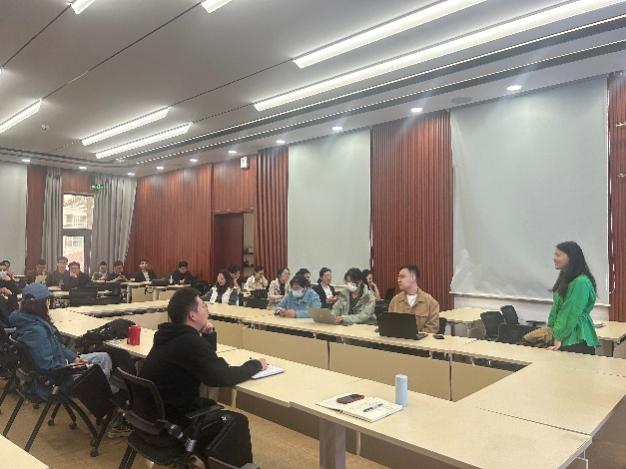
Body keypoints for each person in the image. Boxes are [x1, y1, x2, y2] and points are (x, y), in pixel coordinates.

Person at [140, 288, 267, 466]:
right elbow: (221, 376)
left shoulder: (168, 335)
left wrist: (208, 336)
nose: (207, 309)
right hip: (172, 424)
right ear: (192, 315)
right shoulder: (189, 342)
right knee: (236, 421)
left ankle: (205, 457)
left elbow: (207, 364)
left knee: (209, 406)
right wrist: (255, 365)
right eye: (204, 306)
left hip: (149, 419)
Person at [9, 283, 113, 400]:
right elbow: (47, 366)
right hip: (56, 380)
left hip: (59, 366)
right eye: (47, 301)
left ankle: (102, 394)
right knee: (100, 372)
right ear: (39, 305)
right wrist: (72, 365)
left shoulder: (30, 320)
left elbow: (56, 346)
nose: (49, 304)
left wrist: (74, 358)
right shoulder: (36, 331)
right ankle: (104, 398)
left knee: (104, 357)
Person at [546, 241, 599, 355]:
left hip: (575, 338)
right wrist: (550, 328)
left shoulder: (581, 282)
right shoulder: (566, 278)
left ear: (571, 257)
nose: (554, 258)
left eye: (558, 255)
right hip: (563, 336)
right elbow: (557, 308)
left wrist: (559, 335)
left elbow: (570, 311)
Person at [388, 265, 439, 333]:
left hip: (421, 339)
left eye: (402, 277)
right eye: (398, 277)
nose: (398, 280)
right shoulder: (395, 301)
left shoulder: (431, 303)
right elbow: (389, 325)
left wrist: (414, 335)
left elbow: (432, 329)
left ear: (413, 278)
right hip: (397, 339)